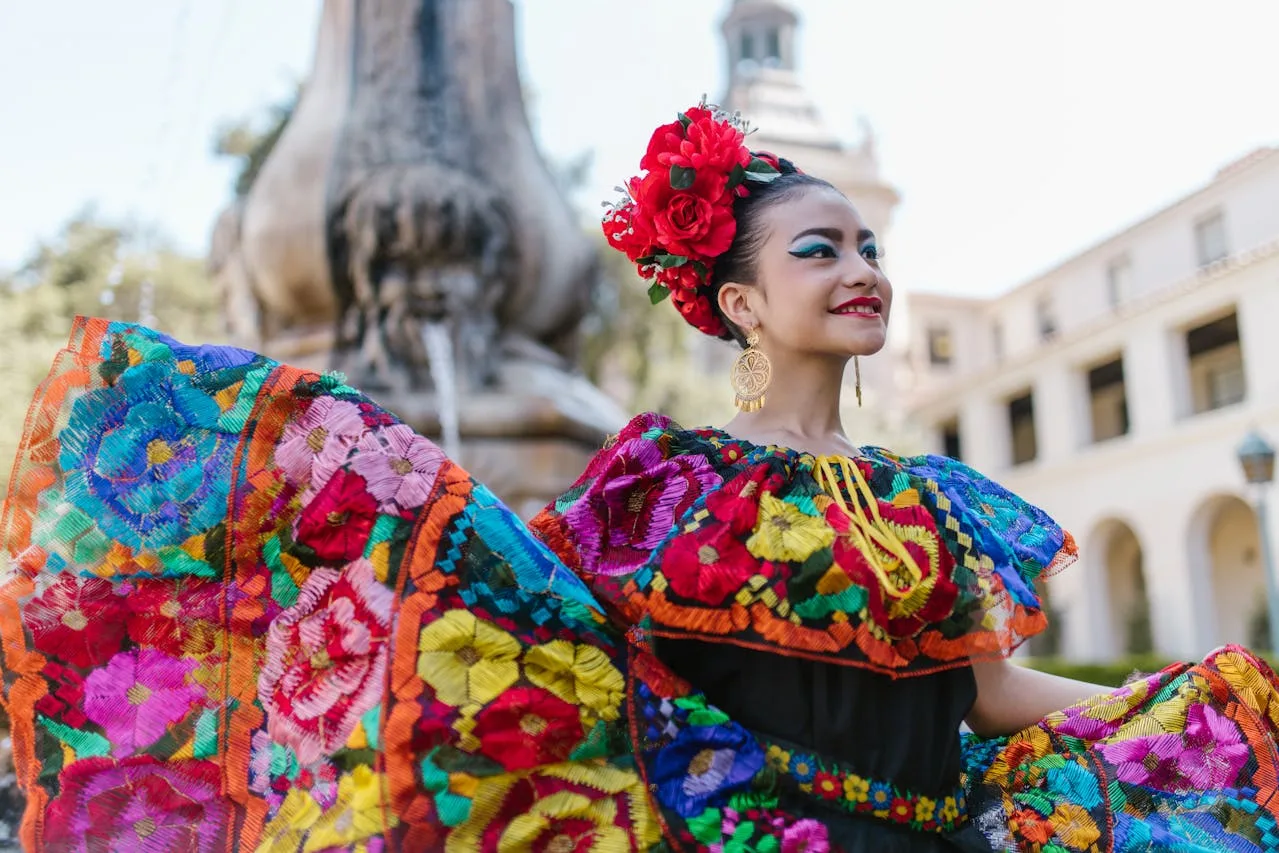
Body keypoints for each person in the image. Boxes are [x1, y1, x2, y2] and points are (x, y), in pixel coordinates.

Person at [0, 102, 1276, 853]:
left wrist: (1177, 698)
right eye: (819, 248)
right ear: (740, 303)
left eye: (870, 245)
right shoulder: (665, 481)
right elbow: (546, 632)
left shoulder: (935, 498)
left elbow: (985, 689)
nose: (862, 267)